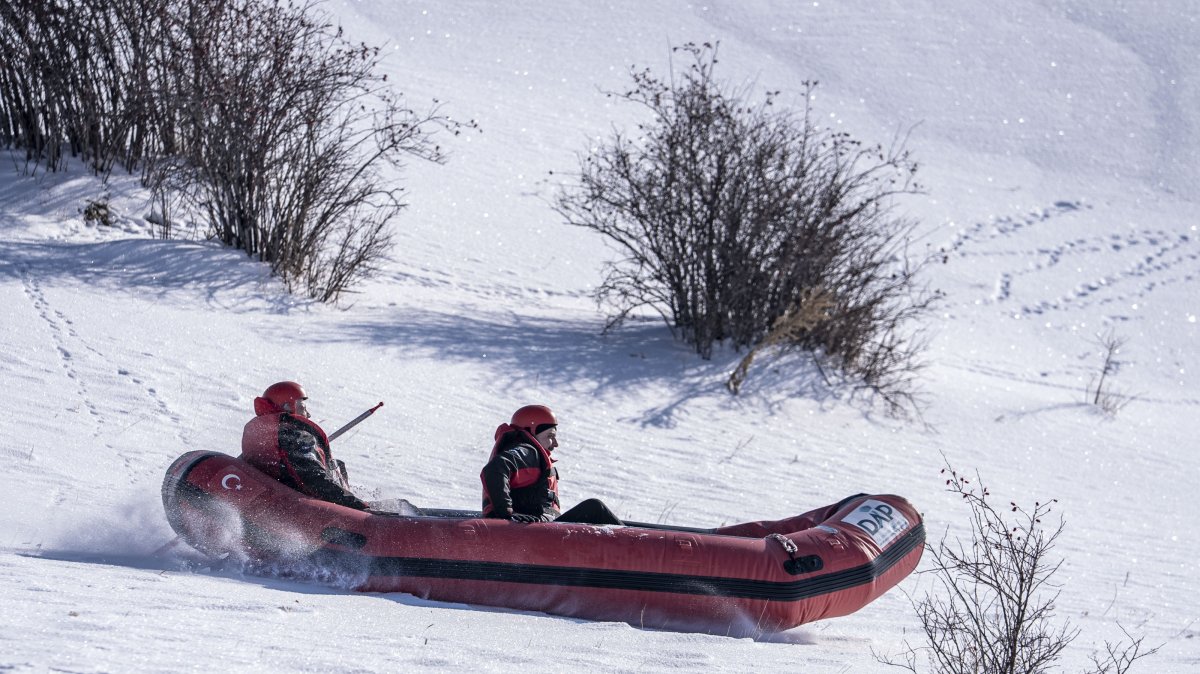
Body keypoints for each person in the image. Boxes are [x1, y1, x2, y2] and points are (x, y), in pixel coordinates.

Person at [481, 404, 621, 525]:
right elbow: (496, 468)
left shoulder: (526, 453)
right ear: (530, 432)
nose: (555, 443)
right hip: (537, 531)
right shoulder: (528, 452)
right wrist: (505, 513)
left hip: (542, 527)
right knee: (595, 509)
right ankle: (638, 547)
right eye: (550, 436)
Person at [240, 381, 369, 511]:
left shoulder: (261, 431)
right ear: (288, 407)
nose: (308, 414)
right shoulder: (293, 433)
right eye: (303, 407)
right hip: (297, 506)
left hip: (265, 499)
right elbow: (313, 477)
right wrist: (355, 505)